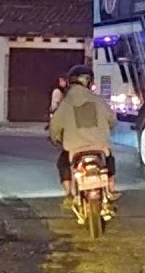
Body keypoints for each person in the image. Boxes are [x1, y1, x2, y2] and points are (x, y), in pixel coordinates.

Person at [48, 64, 120, 213]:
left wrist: (54, 138)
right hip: (100, 147)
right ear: (89, 82)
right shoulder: (98, 100)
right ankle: (111, 188)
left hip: (74, 150)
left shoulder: (66, 103)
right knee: (109, 159)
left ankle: (68, 193)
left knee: (63, 163)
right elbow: (112, 119)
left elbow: (54, 126)